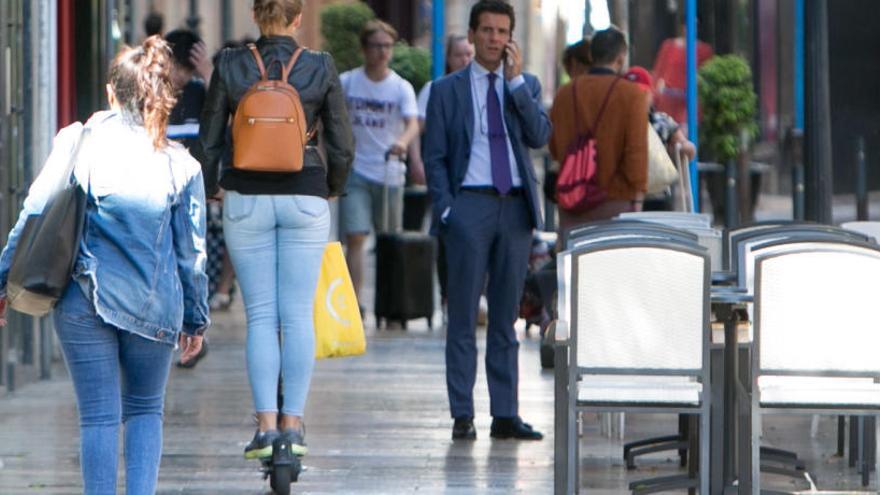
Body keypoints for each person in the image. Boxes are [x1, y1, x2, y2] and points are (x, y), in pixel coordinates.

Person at [0, 36, 208, 494]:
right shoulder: (182, 165)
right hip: (156, 308)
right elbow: (191, 256)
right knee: (145, 410)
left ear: (110, 93)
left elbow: (34, 212)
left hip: (83, 301)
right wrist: (196, 318)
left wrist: (4, 280)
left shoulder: (78, 141)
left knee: (97, 415)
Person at [198, 0, 354, 461]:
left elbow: (208, 139)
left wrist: (212, 188)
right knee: (297, 314)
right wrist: (330, 187)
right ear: (298, 18)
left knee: (261, 316)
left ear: (255, 15)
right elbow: (342, 142)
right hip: (305, 191)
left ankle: (265, 426)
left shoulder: (229, 63)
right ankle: (294, 424)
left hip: (246, 194)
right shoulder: (321, 66)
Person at [422, 0, 551, 441]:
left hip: (514, 208)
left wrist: (514, 85)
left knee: (506, 317)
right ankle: (463, 412)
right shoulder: (446, 90)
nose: (495, 39)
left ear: (510, 38)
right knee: (462, 314)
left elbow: (539, 136)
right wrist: (447, 209)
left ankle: (505, 413)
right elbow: (434, 157)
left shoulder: (525, 85)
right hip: (469, 207)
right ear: (473, 35)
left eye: (502, 31)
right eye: (488, 30)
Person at [339, 20, 420, 305]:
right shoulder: (348, 82)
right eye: (377, 46)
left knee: (389, 243)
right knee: (356, 238)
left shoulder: (401, 87)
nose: (383, 52)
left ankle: (390, 303)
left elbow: (413, 123)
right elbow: (331, 123)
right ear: (364, 49)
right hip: (356, 171)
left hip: (389, 173)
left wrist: (403, 143)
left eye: (387, 46)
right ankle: (355, 303)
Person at [549, 26, 650, 237]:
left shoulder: (565, 94)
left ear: (592, 55)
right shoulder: (631, 95)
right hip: (616, 203)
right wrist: (637, 199)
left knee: (575, 267)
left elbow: (555, 148)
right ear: (620, 58)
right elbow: (636, 154)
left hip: (572, 201)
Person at [409, 34, 474, 324]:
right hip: (444, 179)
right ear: (449, 57)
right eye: (460, 54)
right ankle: (448, 296)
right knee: (446, 239)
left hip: (474, 183)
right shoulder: (435, 89)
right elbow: (418, 128)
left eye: (469, 54)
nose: (465, 60)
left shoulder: (483, 88)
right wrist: (418, 162)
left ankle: (471, 298)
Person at [624, 65, 697, 211]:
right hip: (624, 197)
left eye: (641, 94)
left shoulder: (661, 122)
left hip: (657, 196)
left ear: (651, 95)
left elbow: (685, 145)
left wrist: (685, 147)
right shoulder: (615, 125)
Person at [651, 22, 714, 135]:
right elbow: (658, 71)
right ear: (683, 27)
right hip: (668, 100)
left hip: (689, 101)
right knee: (667, 134)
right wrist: (656, 94)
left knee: (685, 135)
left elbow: (706, 77)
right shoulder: (669, 46)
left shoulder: (704, 50)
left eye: (695, 25)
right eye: (688, 25)